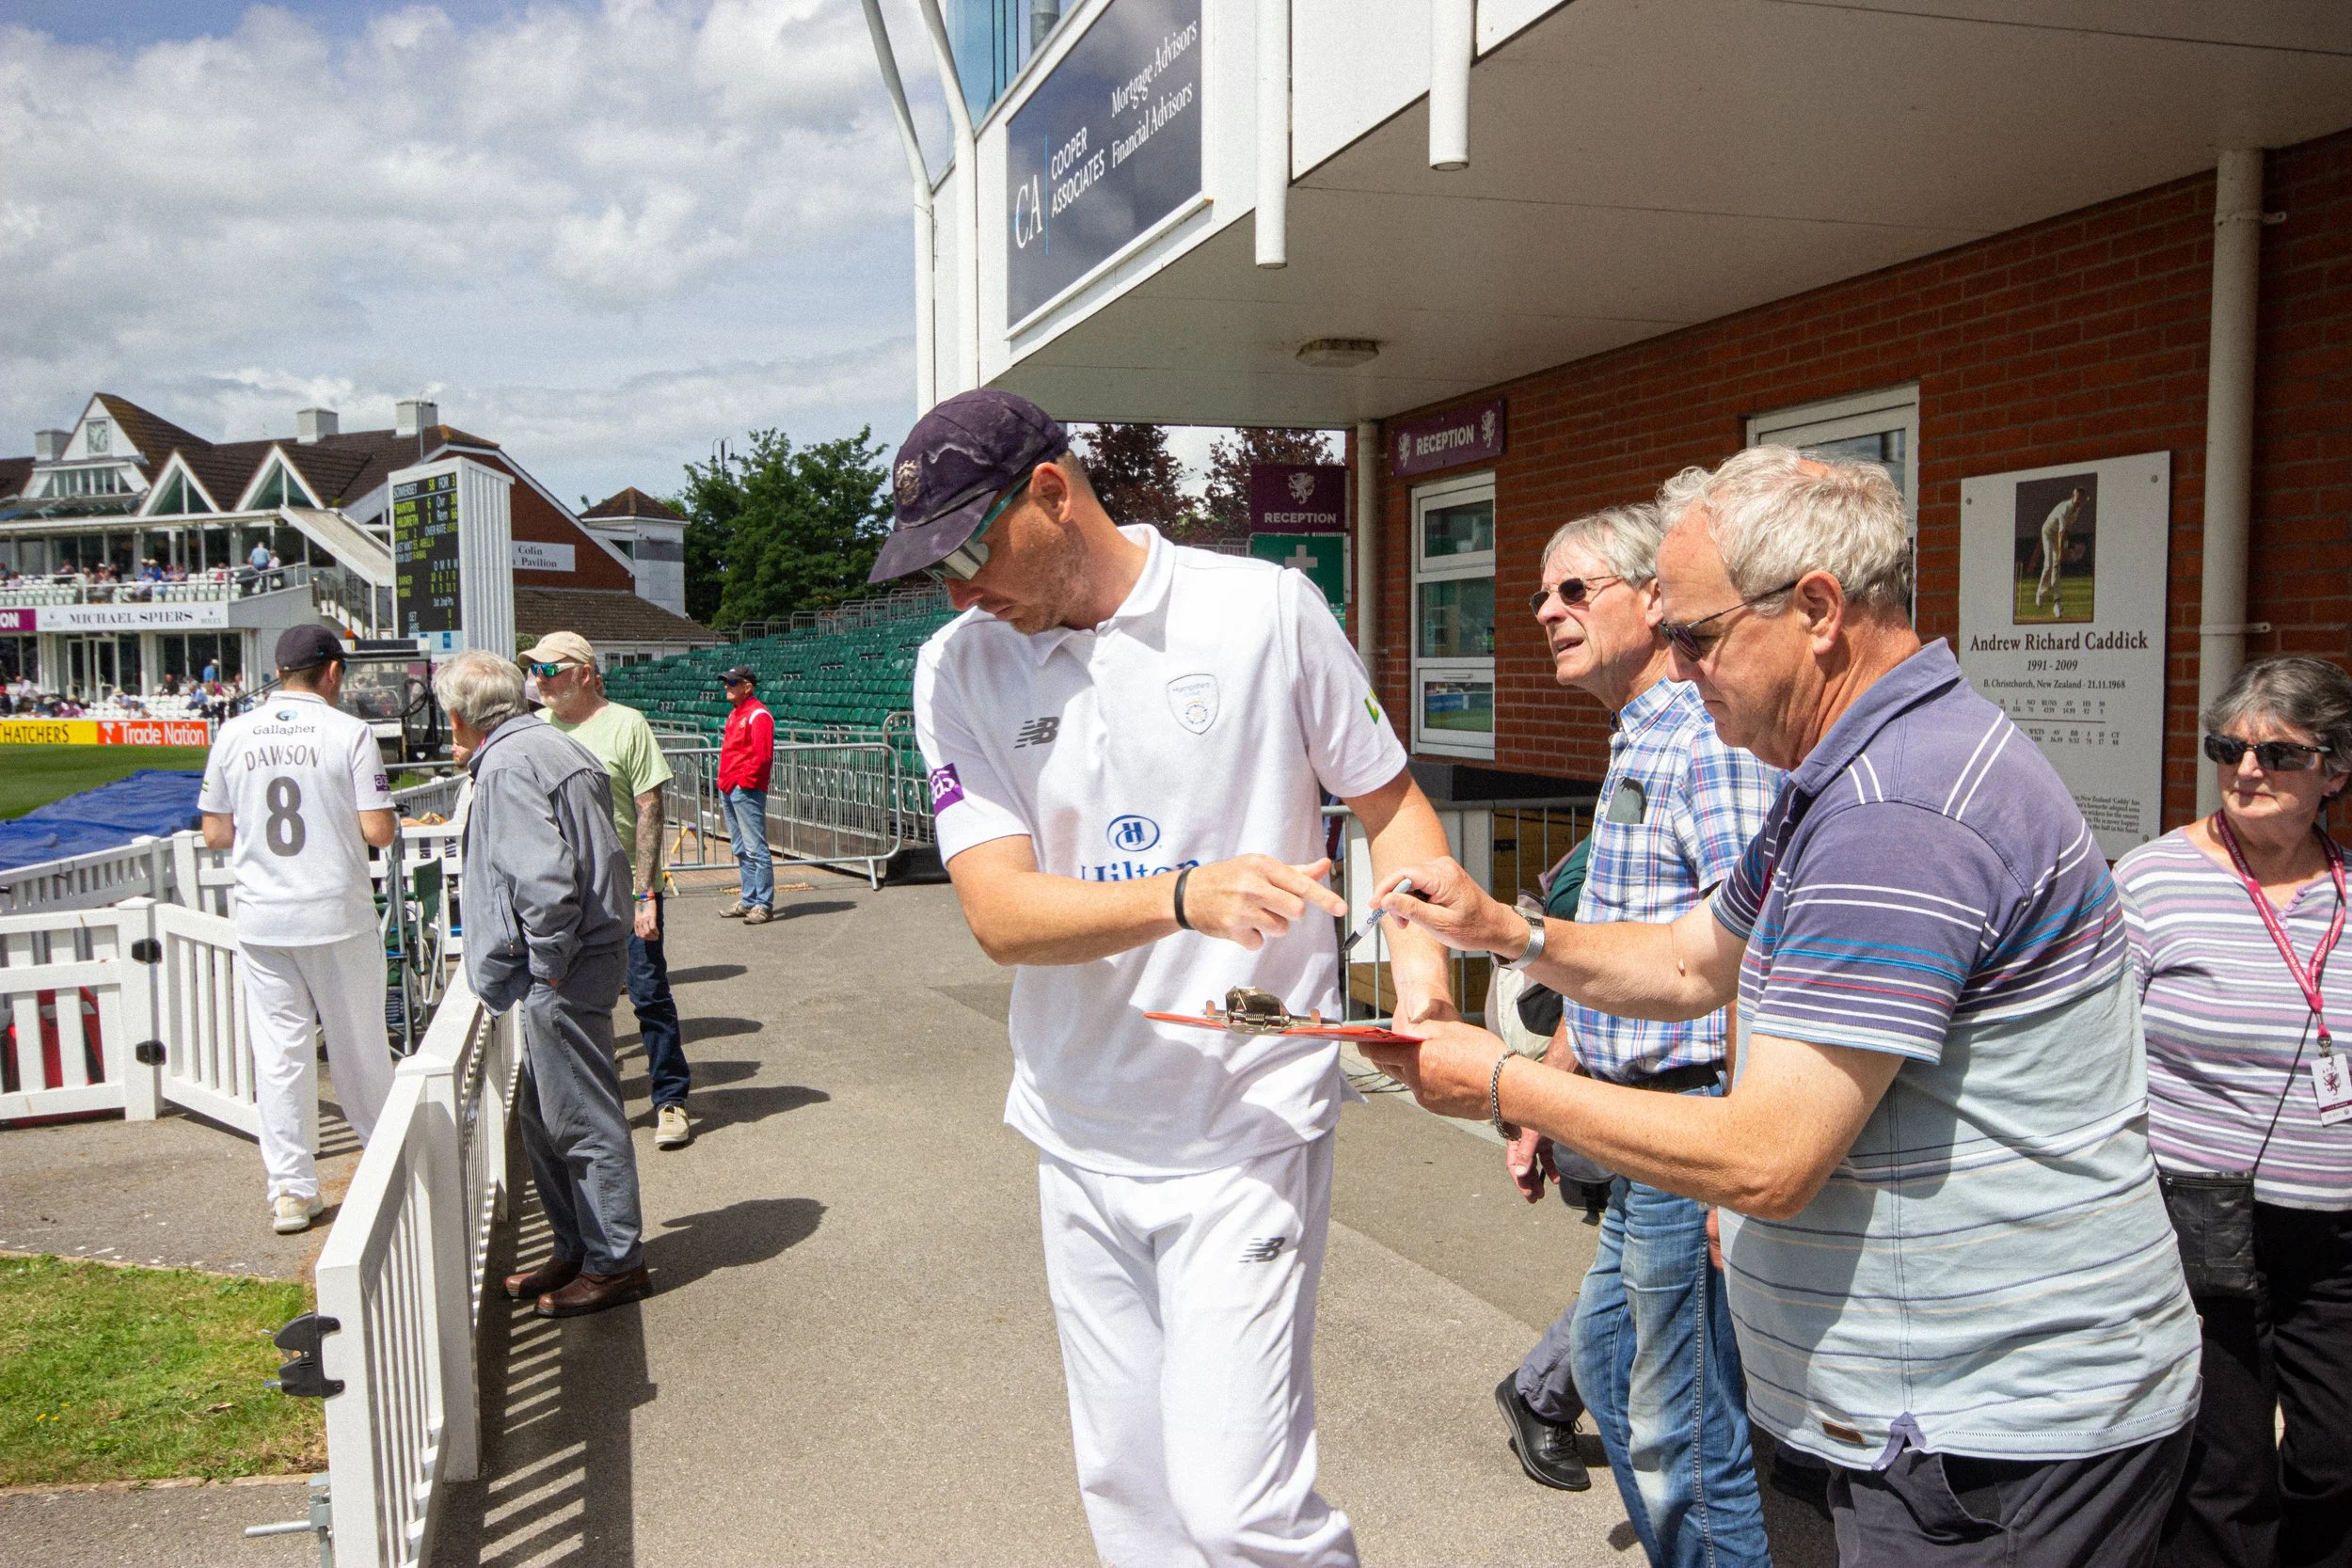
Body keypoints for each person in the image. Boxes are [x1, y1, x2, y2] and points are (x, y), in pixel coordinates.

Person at [1360, 446, 2203, 1568]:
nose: (1679, 663)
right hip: (1930, 1414)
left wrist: (1506, 1083)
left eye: (1697, 635)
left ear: (1814, 609)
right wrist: (1511, 932)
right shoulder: (1846, 770)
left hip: (1989, 1436)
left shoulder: (1892, 813)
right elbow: (1689, 958)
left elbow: (1766, 1157)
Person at [887, 387, 1456, 1568]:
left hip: (1242, 1123)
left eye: (969, 551)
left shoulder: (1262, 610)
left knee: (1239, 1508)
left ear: (1052, 493)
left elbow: (1393, 809)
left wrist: (1427, 988)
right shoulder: (955, 667)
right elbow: (999, 913)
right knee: (1130, 1499)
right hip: (1076, 1123)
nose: (957, 590)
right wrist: (1183, 894)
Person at [1490, 503, 1781, 1560]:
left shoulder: (1707, 743)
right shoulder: (1641, 737)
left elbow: (1753, 953)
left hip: (1688, 1123)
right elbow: (1618, 952)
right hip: (1626, 1125)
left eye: (1576, 589)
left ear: (1653, 602)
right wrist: (1546, 1089)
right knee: (1611, 1367)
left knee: (1683, 1423)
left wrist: (1738, 1152)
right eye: (1539, 594)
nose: (1547, 611)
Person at [2117, 656, 2352, 1568]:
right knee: (2225, 1469)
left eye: (2277, 753)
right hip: (2200, 1218)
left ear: (2333, 769)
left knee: (2334, 1452)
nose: (2246, 769)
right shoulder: (2152, 879)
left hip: (2332, 1232)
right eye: (2229, 748)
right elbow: (2100, 1054)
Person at [437, 649, 650, 1319]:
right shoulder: (547, 745)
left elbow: (546, 883)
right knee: (542, 1112)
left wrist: (547, 961)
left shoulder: (507, 762)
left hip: (565, 960)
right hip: (580, 951)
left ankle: (614, 1261)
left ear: (459, 715)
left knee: (578, 1114)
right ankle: (578, 1246)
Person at [198, 625, 397, 1235]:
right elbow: (378, 830)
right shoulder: (349, 732)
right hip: (334, 910)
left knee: (279, 1053)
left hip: (265, 915)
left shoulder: (233, 733)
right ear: (332, 672)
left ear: (281, 673)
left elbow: (215, 832)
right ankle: (387, 1165)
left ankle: (290, 1188)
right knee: (360, 1045)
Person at [530, 630, 694, 1152]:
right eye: (534, 670)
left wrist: (645, 895)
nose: (540, 680)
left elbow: (649, 808)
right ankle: (594, 1109)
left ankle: (670, 1099)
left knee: (647, 995)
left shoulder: (626, 724)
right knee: (570, 1004)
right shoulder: (533, 729)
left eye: (550, 669)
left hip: (623, 889)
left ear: (583, 671)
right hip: (561, 894)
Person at [715, 665, 775, 925]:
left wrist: (743, 782)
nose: (726, 686)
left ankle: (763, 903)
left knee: (755, 848)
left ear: (747, 686)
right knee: (741, 847)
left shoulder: (758, 714)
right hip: (730, 787)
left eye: (732, 682)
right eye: (727, 682)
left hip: (743, 789)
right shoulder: (736, 714)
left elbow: (762, 757)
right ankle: (749, 899)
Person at [2032, 487, 2082, 614]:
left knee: (2056, 567)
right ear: (2073, 496)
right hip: (2048, 532)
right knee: (2048, 565)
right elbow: (2061, 532)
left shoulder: (2077, 511)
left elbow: (2067, 531)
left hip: (2058, 536)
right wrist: (2061, 551)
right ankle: (2040, 592)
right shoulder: (2065, 508)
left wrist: (2065, 547)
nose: (2079, 501)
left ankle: (2057, 604)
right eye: (2077, 498)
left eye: (2081, 499)